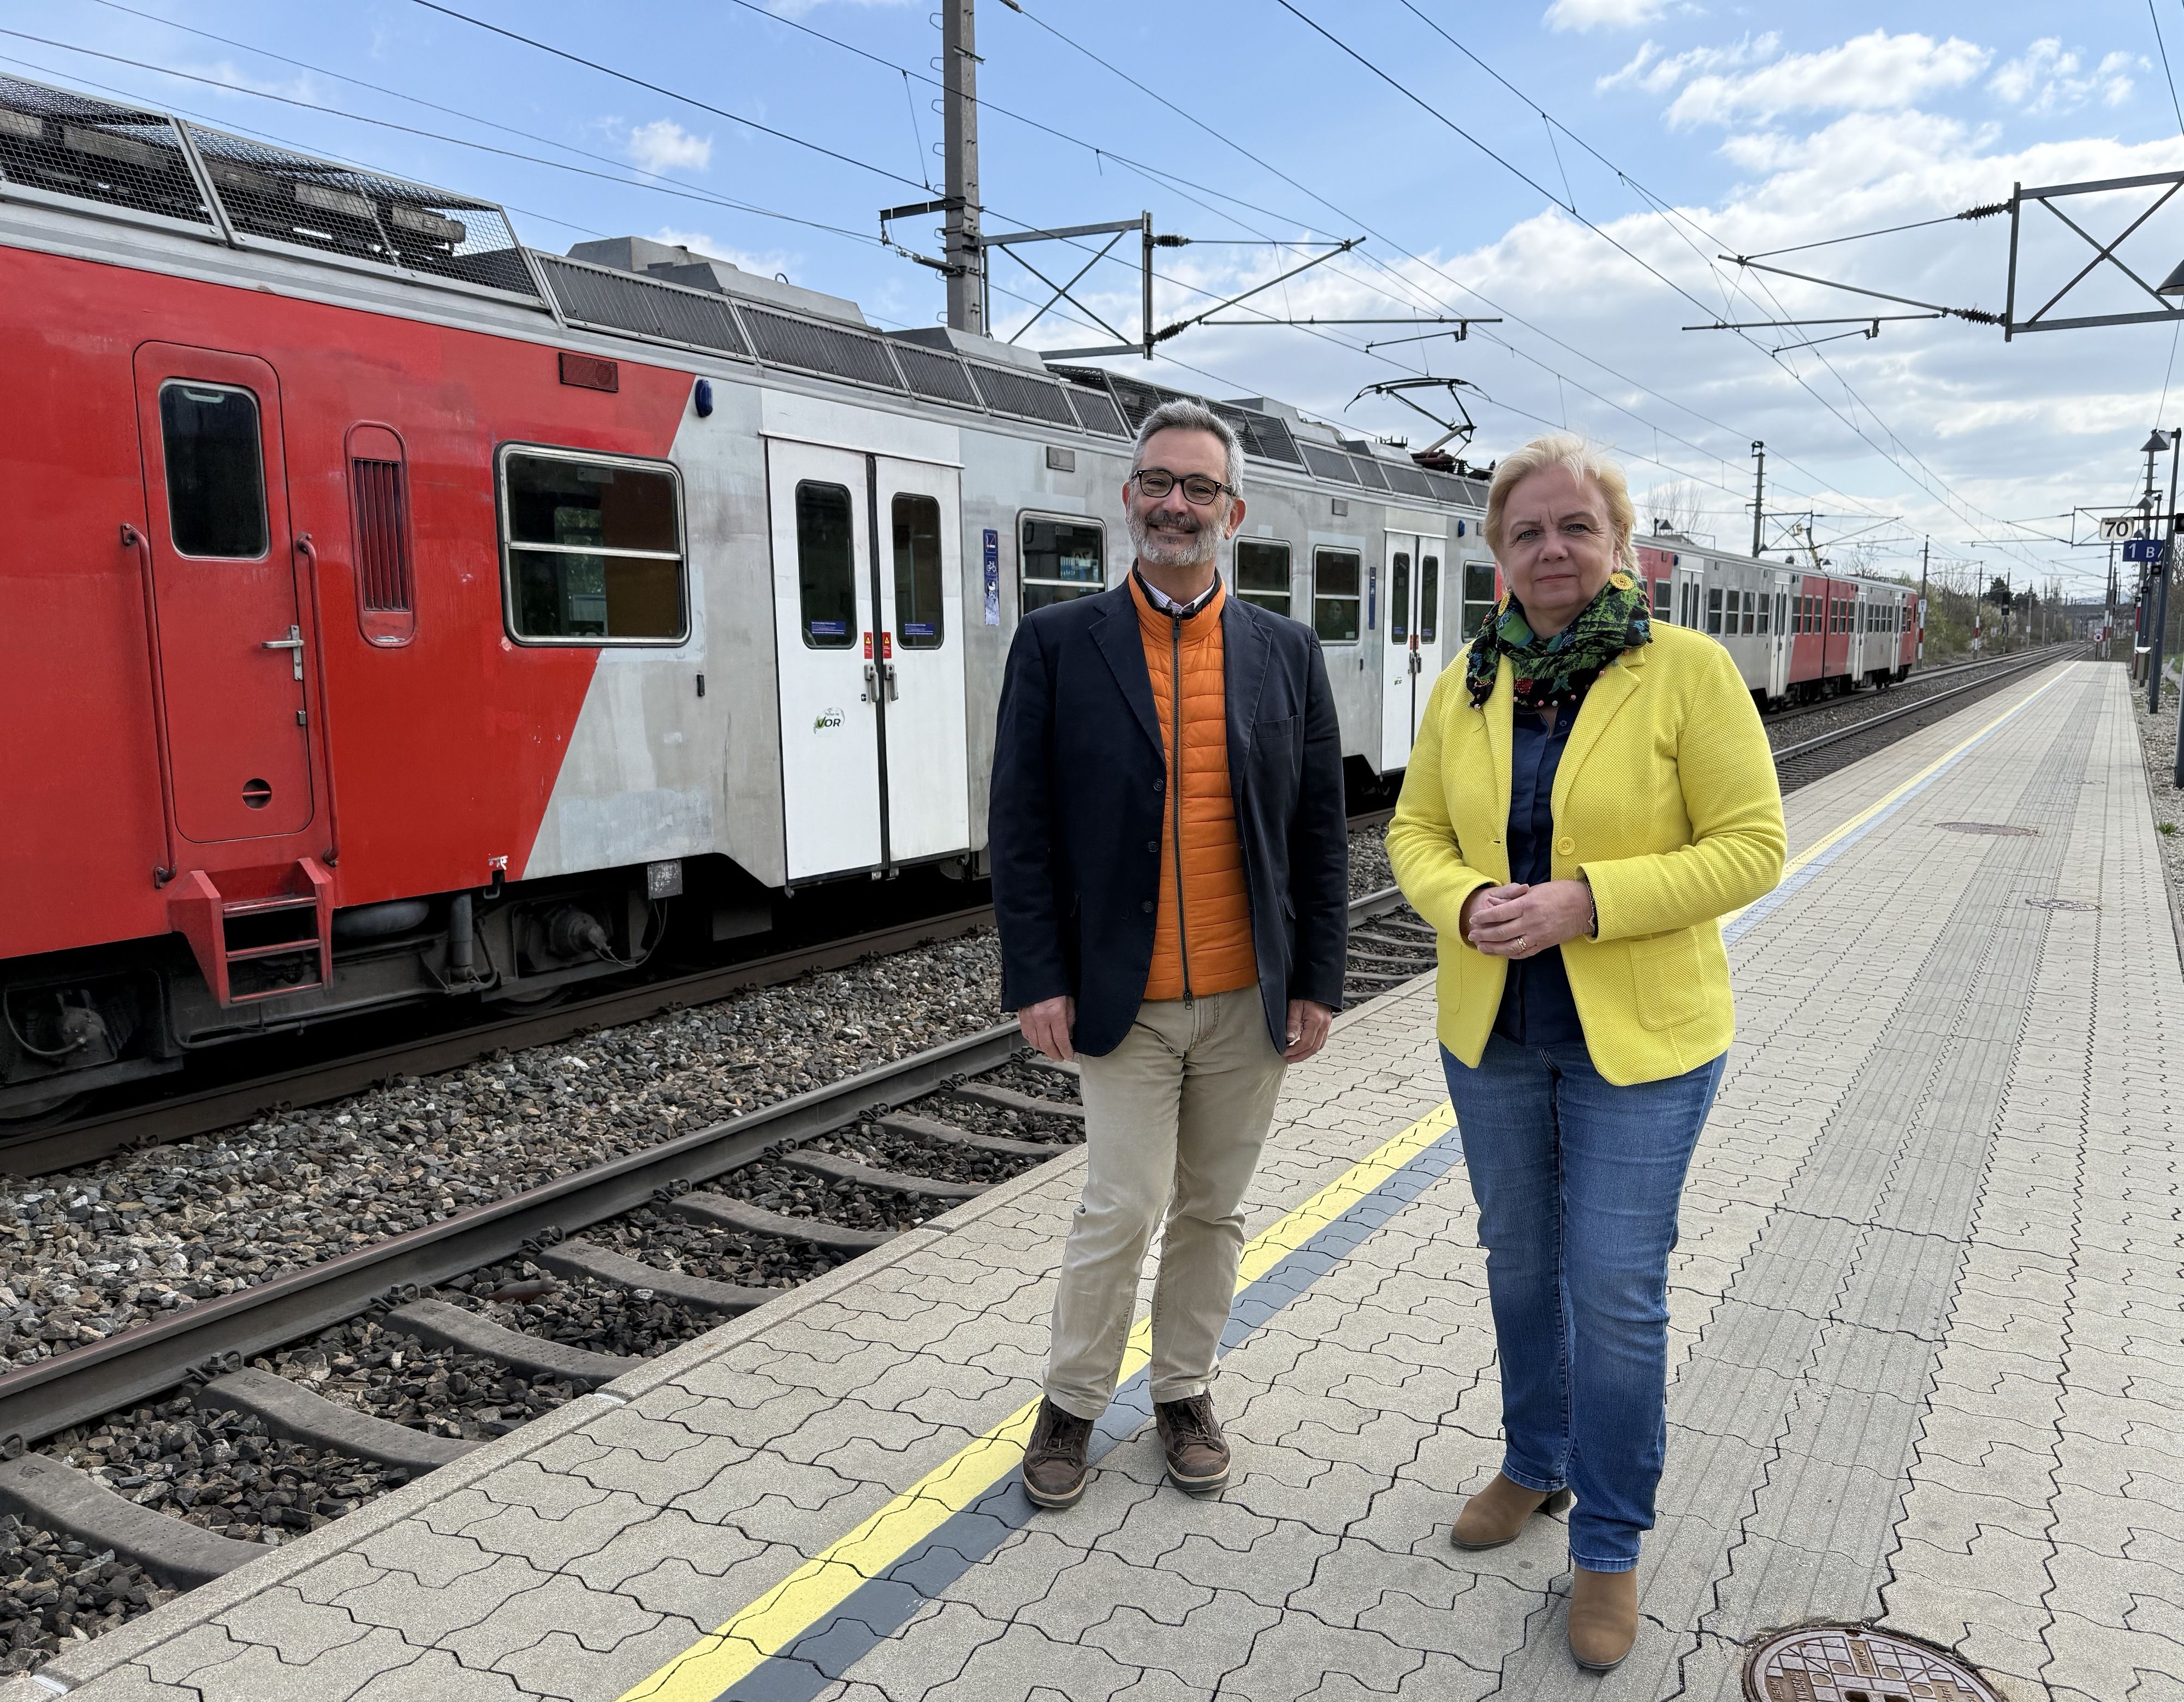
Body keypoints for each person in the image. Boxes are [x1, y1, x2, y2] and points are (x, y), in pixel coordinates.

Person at [1386, 434, 1785, 1671]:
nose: (1549, 549)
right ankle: (1533, 1460)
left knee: (1612, 1286)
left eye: (1573, 527)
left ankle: (1607, 1545)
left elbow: (1750, 845)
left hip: (1642, 1044)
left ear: (1619, 544)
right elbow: (1411, 826)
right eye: (1525, 532)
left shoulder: (1685, 670)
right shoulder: (1468, 678)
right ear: (1496, 555)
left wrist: (1583, 902)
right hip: (1492, 1031)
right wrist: (1458, 902)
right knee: (1517, 1259)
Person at [989, 398, 1349, 1510]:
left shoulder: (1287, 652)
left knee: (1213, 1208)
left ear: (1232, 512)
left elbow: (1317, 835)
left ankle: (1183, 1389)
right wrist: (1036, 974)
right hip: (1121, 996)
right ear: (1127, 497)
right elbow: (1021, 824)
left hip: (1246, 995)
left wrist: (1319, 982)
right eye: (1156, 481)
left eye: (1196, 488)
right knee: (1122, 1203)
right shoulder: (1057, 643)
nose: (1174, 504)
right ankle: (1070, 1400)